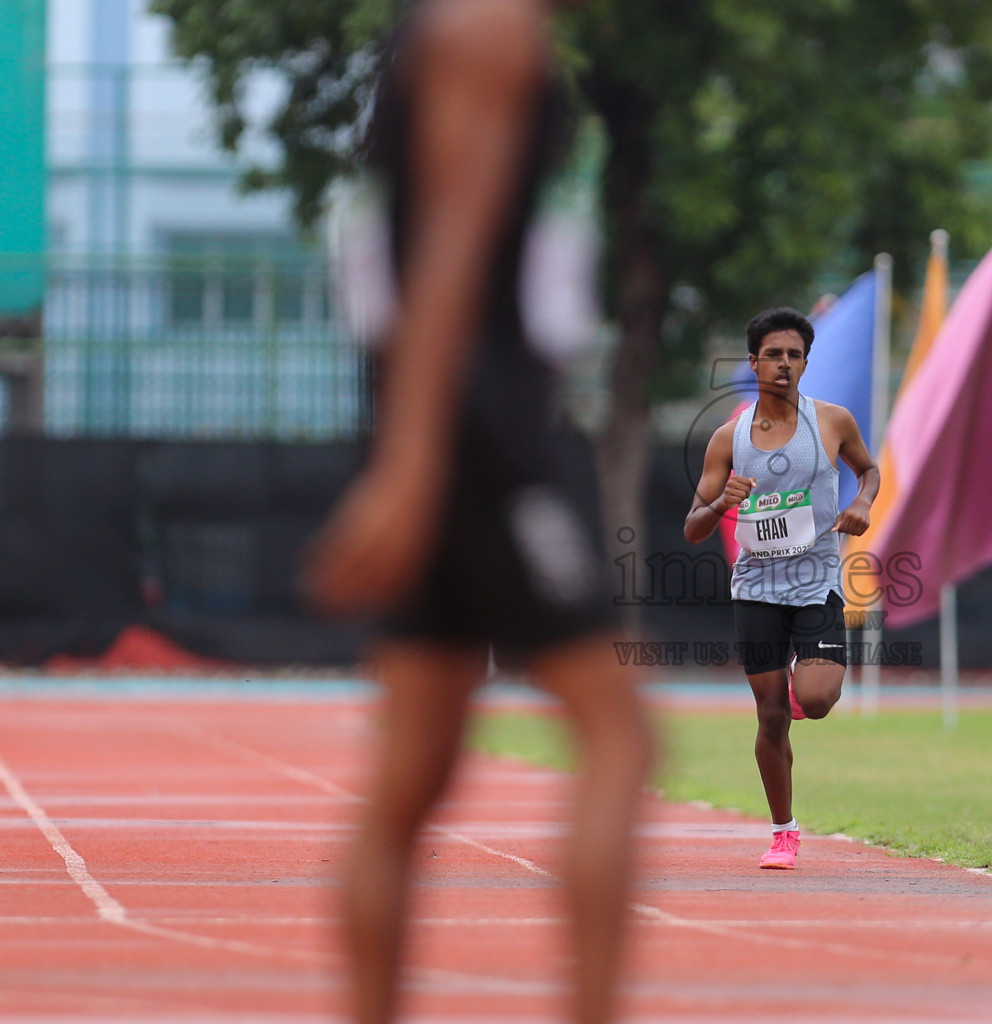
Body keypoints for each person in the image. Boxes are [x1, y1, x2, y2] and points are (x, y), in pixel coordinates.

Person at [305, 2, 653, 1023]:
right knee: (619, 735)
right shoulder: (491, 28)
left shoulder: (453, 27)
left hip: (449, 426)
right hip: (481, 439)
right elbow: (447, 253)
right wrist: (414, 465)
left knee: (412, 776)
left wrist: (402, 453)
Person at [683, 308, 879, 869]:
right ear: (754, 363)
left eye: (794, 355)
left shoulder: (834, 421)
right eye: (774, 354)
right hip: (756, 589)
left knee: (814, 701)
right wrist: (723, 501)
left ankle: (797, 691)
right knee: (770, 717)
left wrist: (862, 503)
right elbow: (693, 527)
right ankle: (783, 832)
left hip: (816, 583)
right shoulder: (730, 438)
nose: (785, 365)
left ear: (805, 363)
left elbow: (869, 470)